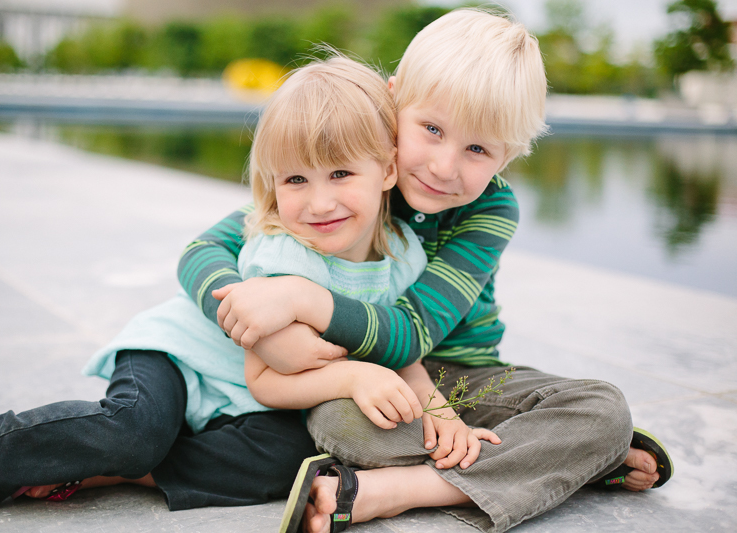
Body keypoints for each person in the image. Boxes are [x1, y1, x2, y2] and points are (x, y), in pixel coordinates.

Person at [178, 9, 673, 533]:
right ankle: (559, 462)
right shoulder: (354, 172)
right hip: (364, 380)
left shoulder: (489, 209)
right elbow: (203, 249)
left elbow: (412, 334)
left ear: (507, 158)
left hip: (460, 373)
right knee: (345, 423)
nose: (442, 166)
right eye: (431, 129)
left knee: (603, 411)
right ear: (394, 103)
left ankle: (397, 490)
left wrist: (303, 301)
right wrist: (257, 323)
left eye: (478, 149)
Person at [0, 56, 441, 512]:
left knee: (287, 457)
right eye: (295, 180)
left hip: (241, 399)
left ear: (388, 169)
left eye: (340, 173)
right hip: (182, 361)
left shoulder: (402, 252)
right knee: (133, 430)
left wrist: (436, 407)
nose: (318, 204)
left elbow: (403, 347)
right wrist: (353, 377)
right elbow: (265, 382)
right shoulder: (285, 252)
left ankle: (102, 470)